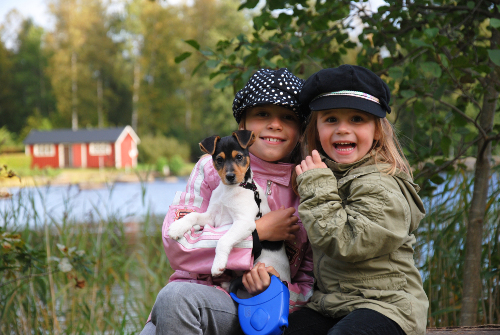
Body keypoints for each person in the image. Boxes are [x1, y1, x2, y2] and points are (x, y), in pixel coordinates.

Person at [140, 68, 314, 335]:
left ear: (301, 130)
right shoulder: (209, 170)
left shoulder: (308, 185)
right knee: (172, 302)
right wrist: (257, 234)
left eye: (288, 117)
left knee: (174, 300)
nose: (275, 124)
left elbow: (310, 281)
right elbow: (178, 245)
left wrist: (275, 288)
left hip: (261, 311)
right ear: (242, 126)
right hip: (195, 300)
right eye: (262, 114)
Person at [286, 65, 428, 335]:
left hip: (387, 306)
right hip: (333, 304)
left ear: (377, 131)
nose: (342, 129)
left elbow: (348, 243)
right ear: (315, 129)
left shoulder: (381, 183)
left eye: (356, 119)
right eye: (330, 119)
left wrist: (317, 186)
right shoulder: (327, 175)